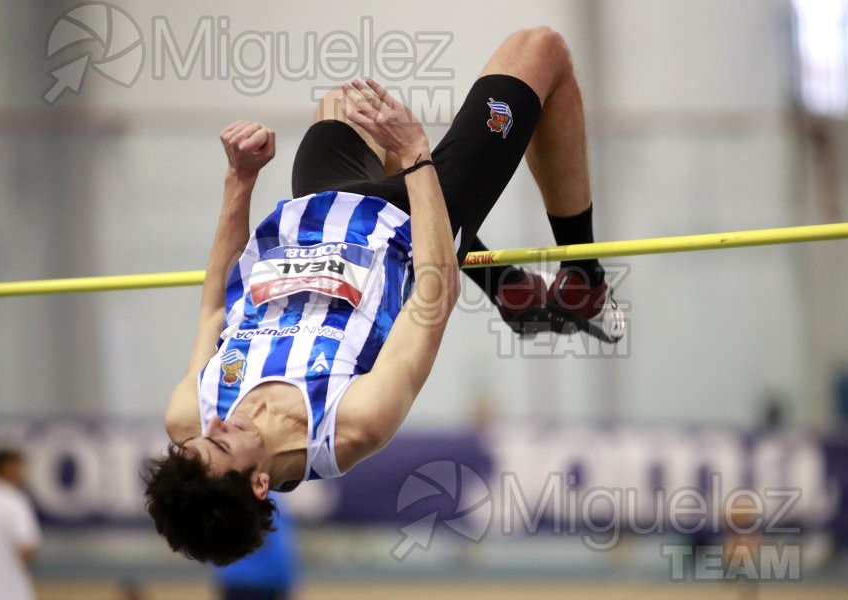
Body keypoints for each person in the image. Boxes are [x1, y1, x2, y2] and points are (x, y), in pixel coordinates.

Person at [143, 27, 626, 564]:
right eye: (223, 443)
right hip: (406, 226)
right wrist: (417, 155)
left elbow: (215, 303)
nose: (214, 428)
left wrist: (240, 179)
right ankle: (583, 278)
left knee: (344, 102)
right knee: (543, 51)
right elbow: (432, 299)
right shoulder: (350, 422)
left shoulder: (191, 416)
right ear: (259, 484)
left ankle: (504, 286)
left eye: (203, 439)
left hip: (320, 209)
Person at [0, 449, 41, 600]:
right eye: (18, 468)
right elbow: (26, 549)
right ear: (4, 469)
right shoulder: (13, 500)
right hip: (5, 591)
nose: (23, 474)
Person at [212, 493, 298, 600]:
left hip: (235, 579)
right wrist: (287, 582)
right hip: (264, 582)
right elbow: (279, 549)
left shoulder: (228, 492)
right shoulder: (271, 500)